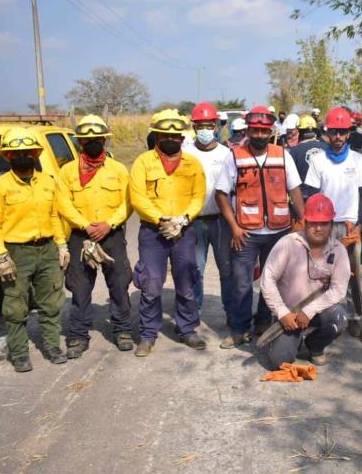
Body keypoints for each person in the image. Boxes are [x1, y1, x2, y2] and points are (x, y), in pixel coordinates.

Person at [215, 106, 306, 348]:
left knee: (272, 280)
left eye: (264, 131)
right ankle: (240, 329)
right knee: (242, 282)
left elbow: (294, 189)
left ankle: (263, 322)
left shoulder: (282, 154)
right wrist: (233, 226)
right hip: (246, 232)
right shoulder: (234, 156)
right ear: (248, 130)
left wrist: (303, 219)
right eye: (254, 130)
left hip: (279, 232)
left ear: (271, 131)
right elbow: (221, 194)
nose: (259, 135)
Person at [0, 128, 70, 372]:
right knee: (15, 305)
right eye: (16, 153)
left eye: (27, 152)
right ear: (8, 157)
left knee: (51, 301)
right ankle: (20, 353)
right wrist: (1, 255)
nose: (23, 156)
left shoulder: (47, 182)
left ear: (35, 153)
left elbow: (54, 215)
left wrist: (61, 243)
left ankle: (53, 347)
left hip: (47, 249)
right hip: (15, 252)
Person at [129, 109, 206, 357]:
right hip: (153, 232)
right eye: (165, 135)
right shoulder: (143, 162)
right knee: (151, 284)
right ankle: (148, 334)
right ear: (157, 136)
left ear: (182, 138)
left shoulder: (193, 164)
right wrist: (160, 219)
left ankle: (187, 329)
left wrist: (183, 220)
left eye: (175, 135)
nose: (171, 139)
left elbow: (198, 195)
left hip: (184, 230)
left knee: (185, 282)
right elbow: (137, 197)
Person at [57, 115, 133, 358]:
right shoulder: (67, 171)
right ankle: (78, 336)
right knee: (80, 288)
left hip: (111, 234)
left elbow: (128, 202)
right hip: (81, 236)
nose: (92, 143)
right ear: (80, 142)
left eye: (96, 139)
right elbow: (63, 203)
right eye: (87, 140)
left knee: (119, 284)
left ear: (104, 140)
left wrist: (109, 224)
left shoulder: (118, 169)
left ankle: (122, 330)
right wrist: (84, 225)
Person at [260, 194, 351, 368]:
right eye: (313, 223)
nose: (318, 228)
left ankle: (315, 346)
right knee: (278, 362)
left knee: (339, 317)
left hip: (318, 312)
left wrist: (309, 311)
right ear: (305, 222)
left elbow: (338, 291)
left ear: (332, 225)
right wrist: (282, 312)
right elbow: (268, 279)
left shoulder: (339, 251)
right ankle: (293, 340)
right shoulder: (287, 243)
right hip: (289, 315)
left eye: (324, 223)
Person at [305, 107, 362, 337]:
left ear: (349, 133)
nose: (338, 137)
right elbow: (311, 195)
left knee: (352, 276)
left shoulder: (359, 160)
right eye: (334, 132)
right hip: (324, 226)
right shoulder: (318, 160)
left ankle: (355, 319)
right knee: (319, 274)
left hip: (350, 225)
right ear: (327, 132)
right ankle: (322, 317)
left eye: (343, 132)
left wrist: (360, 225)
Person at [183, 102, 233, 327]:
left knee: (227, 269)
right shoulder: (185, 154)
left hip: (221, 221)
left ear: (216, 126)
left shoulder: (226, 154)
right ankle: (192, 314)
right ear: (194, 127)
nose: (205, 130)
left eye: (209, 125)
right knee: (195, 270)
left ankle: (232, 313)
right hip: (194, 222)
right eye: (200, 125)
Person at [287, 114, 326, 202]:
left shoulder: (293, 152)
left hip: (304, 199)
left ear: (299, 131)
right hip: (326, 197)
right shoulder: (328, 148)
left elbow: (290, 180)